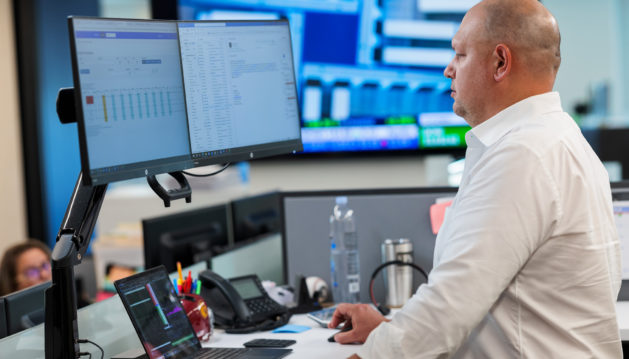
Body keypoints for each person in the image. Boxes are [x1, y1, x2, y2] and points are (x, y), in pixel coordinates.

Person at [329, 0, 622, 357]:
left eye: (460, 54)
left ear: (500, 62)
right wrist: (386, 331)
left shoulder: (523, 156)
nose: (448, 70)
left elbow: (447, 309)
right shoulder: (552, 138)